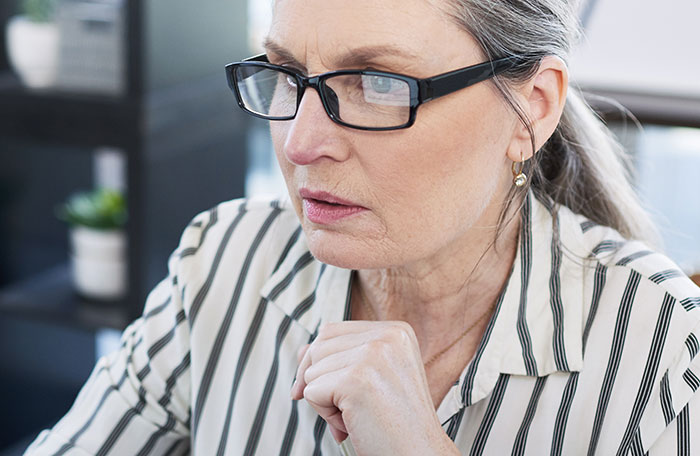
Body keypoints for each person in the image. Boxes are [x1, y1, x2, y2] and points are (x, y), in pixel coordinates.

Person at [26, 0, 700, 454]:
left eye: (379, 83)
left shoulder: (663, 348)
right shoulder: (225, 262)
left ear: (532, 110)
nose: (298, 143)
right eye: (288, 74)